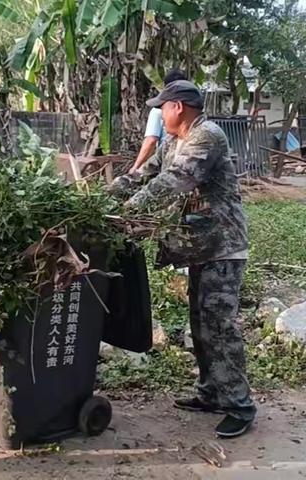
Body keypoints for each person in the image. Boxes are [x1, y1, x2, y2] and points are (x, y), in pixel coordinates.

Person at [111, 80, 256, 438]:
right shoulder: (176, 141)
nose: (158, 114)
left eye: (161, 107)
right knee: (200, 323)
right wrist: (109, 194)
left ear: (178, 107)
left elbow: (176, 179)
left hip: (222, 247)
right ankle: (211, 392)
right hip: (200, 247)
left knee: (219, 326)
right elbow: (146, 173)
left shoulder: (207, 136)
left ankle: (239, 405)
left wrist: (128, 211)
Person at [129, 69, 187, 175]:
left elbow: (150, 141)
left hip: (170, 167)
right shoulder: (192, 110)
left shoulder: (158, 110)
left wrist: (135, 168)